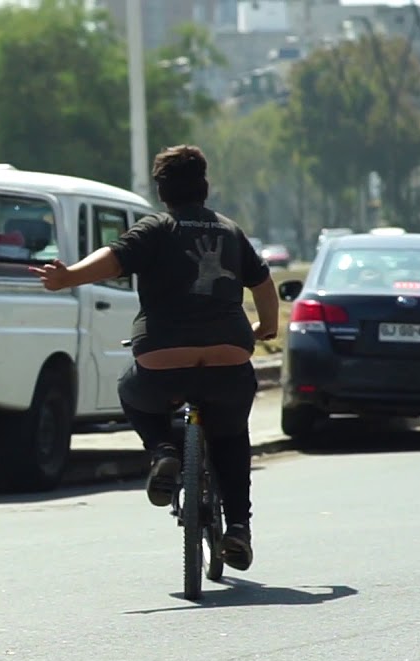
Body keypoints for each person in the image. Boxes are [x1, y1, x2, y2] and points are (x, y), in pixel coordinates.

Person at [28, 145, 279, 571]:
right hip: (227, 356)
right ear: (204, 185)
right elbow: (264, 285)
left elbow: (113, 260)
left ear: (162, 191)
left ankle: (164, 449)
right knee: (232, 436)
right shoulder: (230, 231)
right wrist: (266, 328)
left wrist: (68, 276)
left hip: (164, 356)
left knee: (131, 389)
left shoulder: (157, 228)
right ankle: (237, 528)